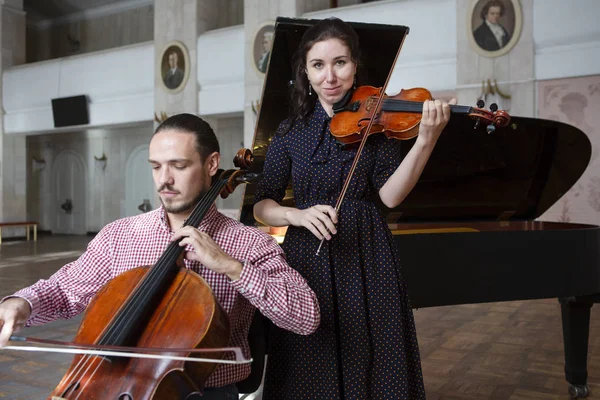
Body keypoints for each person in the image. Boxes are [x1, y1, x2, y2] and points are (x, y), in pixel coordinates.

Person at [0, 113, 320, 399]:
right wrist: (22, 303)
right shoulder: (119, 236)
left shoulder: (249, 244)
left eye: (178, 166)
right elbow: (63, 290)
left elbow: (305, 316)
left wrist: (230, 266)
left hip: (206, 392)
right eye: (156, 166)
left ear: (211, 164)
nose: (164, 179)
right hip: (111, 383)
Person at [253, 17, 456, 399]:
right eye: (318, 65)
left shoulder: (378, 120)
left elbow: (391, 196)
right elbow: (262, 205)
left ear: (355, 65)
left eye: (340, 62)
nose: (330, 76)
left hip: (367, 255)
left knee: (374, 351)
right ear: (306, 72)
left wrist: (426, 141)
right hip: (305, 257)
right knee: (309, 354)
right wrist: (296, 215)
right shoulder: (289, 132)